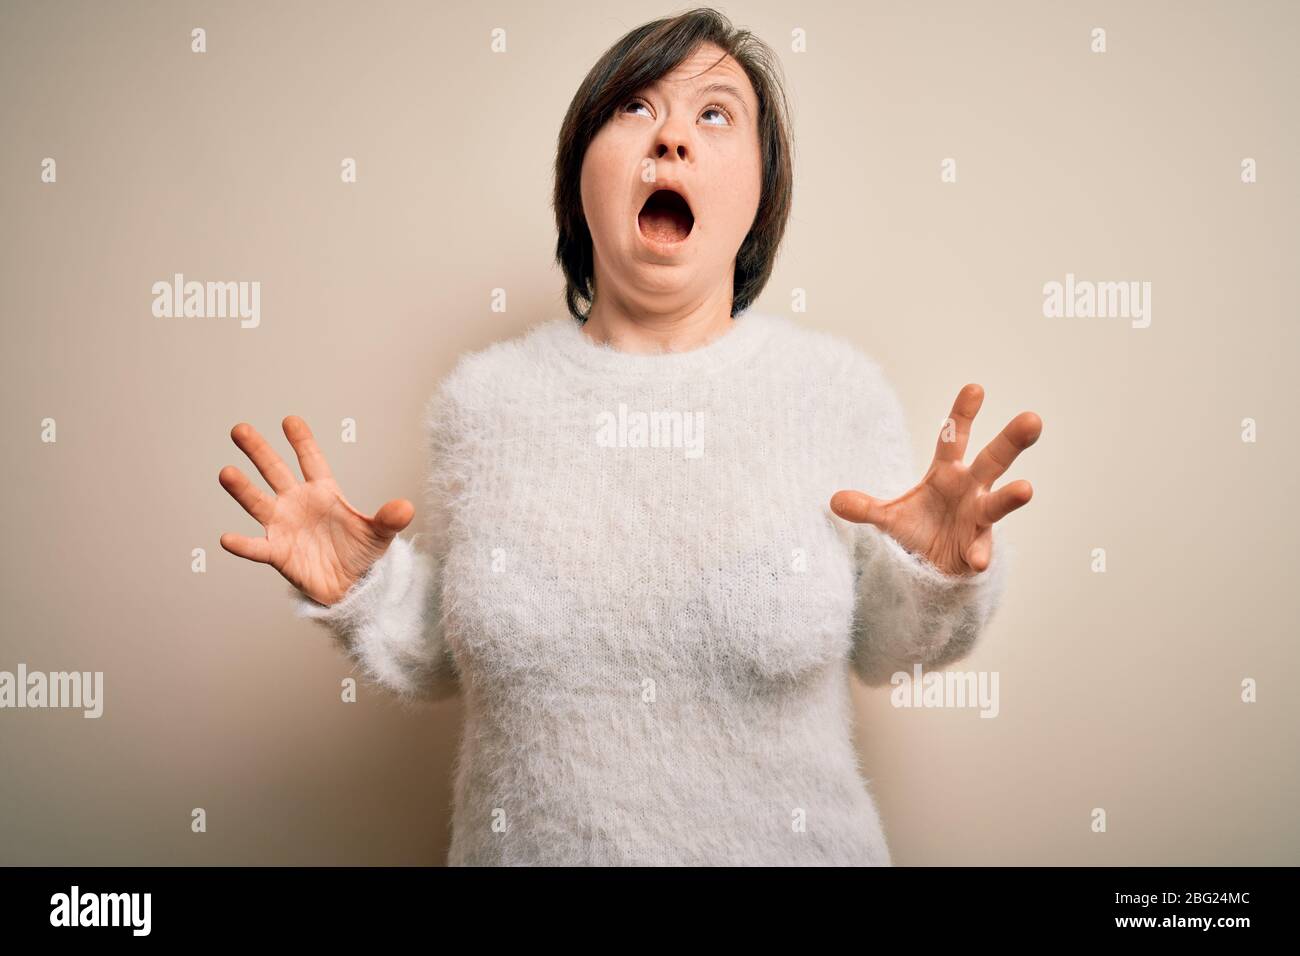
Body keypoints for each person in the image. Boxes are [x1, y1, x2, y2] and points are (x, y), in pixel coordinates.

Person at [218, 8, 1041, 865]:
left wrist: (940, 575)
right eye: (635, 109)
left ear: (762, 189)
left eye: (715, 114)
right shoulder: (484, 403)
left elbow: (888, 650)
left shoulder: (833, 392)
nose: (673, 139)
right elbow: (448, 655)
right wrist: (364, 592)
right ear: (581, 175)